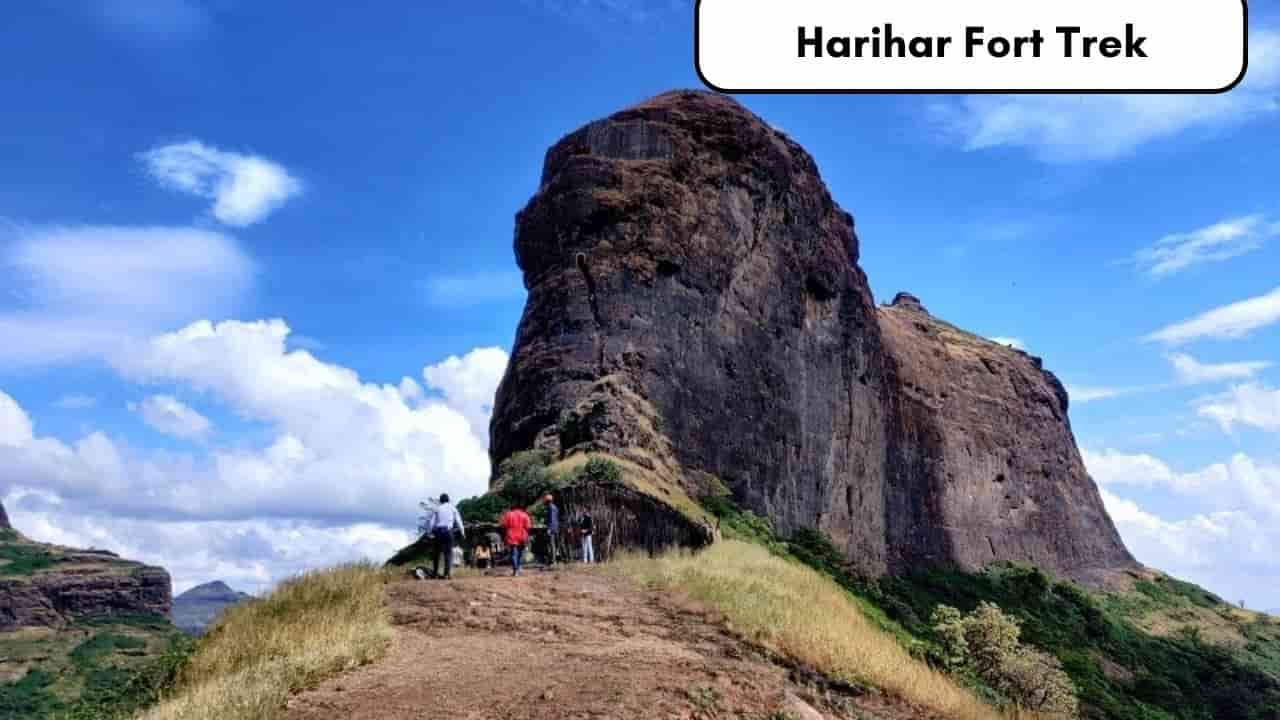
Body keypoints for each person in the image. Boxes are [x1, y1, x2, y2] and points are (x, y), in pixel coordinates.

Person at [430, 493, 465, 580]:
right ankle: (446, 574)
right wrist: (462, 532)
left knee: (436, 553)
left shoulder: (437, 508)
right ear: (448, 500)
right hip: (448, 531)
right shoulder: (453, 508)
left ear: (440, 501)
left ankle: (435, 574)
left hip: (438, 532)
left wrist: (430, 533)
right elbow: (459, 521)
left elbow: (431, 523)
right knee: (448, 553)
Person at [499, 503, 532, 576]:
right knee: (520, 553)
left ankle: (515, 570)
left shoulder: (508, 514)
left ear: (512, 508)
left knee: (514, 553)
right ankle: (519, 567)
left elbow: (503, 525)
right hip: (522, 535)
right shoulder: (524, 515)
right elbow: (528, 526)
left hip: (511, 536)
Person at [544, 493, 560, 565]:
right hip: (554, 527)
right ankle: (552, 559)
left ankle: (553, 560)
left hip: (552, 528)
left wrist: (549, 529)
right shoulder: (553, 507)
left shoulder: (551, 507)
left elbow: (552, 519)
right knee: (552, 544)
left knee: (551, 544)